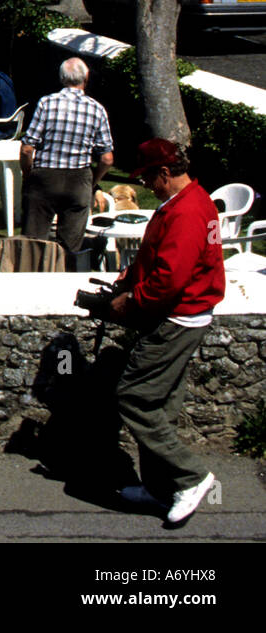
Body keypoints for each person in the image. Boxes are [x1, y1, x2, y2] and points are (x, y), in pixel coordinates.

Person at [107, 138, 225, 527]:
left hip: (178, 318)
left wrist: (131, 301)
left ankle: (190, 477)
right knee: (161, 404)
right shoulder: (190, 201)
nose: (145, 187)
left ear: (164, 172)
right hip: (188, 314)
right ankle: (160, 487)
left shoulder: (186, 211)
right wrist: (131, 276)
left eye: (148, 178)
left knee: (135, 396)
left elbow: (170, 279)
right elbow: (162, 259)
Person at [19, 58, 114, 255]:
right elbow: (107, 159)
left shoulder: (47, 103)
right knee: (70, 247)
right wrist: (93, 181)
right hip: (78, 179)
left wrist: (29, 175)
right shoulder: (97, 109)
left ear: (62, 78)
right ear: (86, 78)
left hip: (45, 177)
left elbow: (27, 149)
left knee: (33, 244)